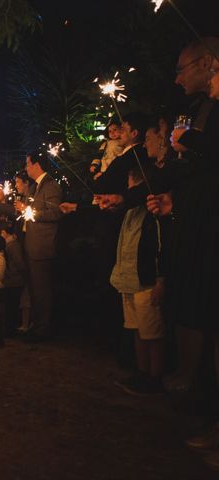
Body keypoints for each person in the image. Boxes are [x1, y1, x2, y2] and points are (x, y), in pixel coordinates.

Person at [147, 38, 219, 467]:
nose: (178, 77)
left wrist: (188, 140)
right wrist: (177, 202)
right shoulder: (202, 113)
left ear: (208, 63)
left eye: (183, 68)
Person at [0, 152, 63, 341]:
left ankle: (43, 330)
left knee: (42, 290)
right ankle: (36, 326)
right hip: (31, 244)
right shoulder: (35, 188)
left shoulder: (50, 186)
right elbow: (19, 210)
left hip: (42, 246)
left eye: (28, 164)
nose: (26, 168)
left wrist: (28, 210)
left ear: (37, 165)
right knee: (35, 289)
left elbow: (55, 213)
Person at [111, 162, 166, 396]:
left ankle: (155, 377)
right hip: (128, 278)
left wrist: (161, 279)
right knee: (136, 328)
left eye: (130, 184)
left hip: (146, 280)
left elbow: (161, 246)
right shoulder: (130, 212)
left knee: (151, 332)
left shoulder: (152, 212)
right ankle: (141, 372)